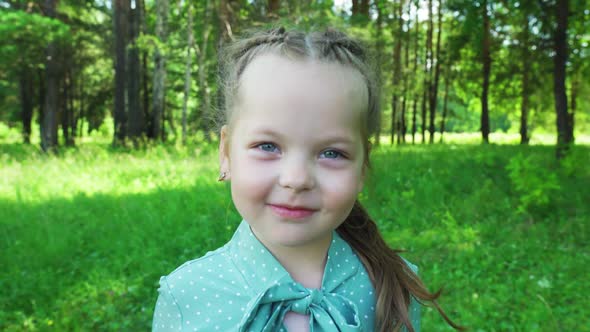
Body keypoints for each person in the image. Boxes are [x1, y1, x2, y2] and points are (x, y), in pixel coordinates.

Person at [152, 27, 461, 332]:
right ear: (226, 152)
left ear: (363, 165)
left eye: (331, 153)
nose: (296, 179)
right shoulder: (187, 295)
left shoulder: (392, 284)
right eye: (268, 147)